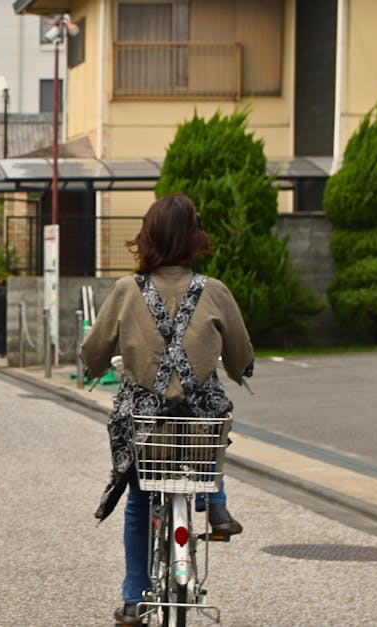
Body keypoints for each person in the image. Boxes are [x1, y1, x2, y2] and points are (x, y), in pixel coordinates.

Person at [78, 193, 254, 626]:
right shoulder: (214, 291)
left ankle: (134, 596)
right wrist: (237, 367)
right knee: (213, 421)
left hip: (146, 426)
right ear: (195, 239)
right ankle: (215, 502)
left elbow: (94, 352)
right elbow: (240, 356)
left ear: (147, 238)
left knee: (139, 501)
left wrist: (93, 365)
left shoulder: (125, 290)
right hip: (198, 427)